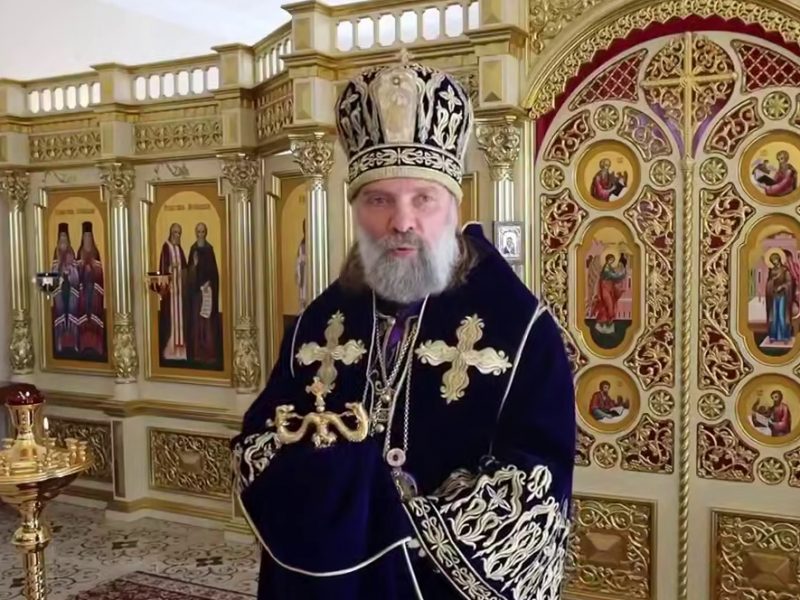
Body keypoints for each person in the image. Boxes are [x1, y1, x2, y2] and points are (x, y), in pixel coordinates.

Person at [232, 58, 575, 599]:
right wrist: (323, 481)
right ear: (356, 209)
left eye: (422, 198)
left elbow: (538, 483)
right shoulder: (320, 320)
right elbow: (256, 443)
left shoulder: (522, 328)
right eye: (379, 199)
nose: (402, 221)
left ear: (453, 205)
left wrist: (396, 523)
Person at [186, 222, 221, 367]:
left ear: (205, 233)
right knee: (197, 322)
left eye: (202, 231)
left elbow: (214, 273)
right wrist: (194, 265)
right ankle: (197, 353)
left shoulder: (209, 249)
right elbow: (189, 273)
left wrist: (209, 283)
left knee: (207, 323)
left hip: (207, 292)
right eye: (198, 231)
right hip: (196, 293)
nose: (200, 234)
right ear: (196, 233)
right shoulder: (193, 249)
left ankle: (208, 353)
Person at [76, 221, 106, 357]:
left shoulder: (96, 253)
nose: (87, 240)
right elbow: (75, 274)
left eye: (89, 237)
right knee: (83, 318)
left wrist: (92, 269)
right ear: (83, 239)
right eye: (85, 237)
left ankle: (96, 346)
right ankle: (83, 345)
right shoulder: (79, 253)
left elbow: (100, 273)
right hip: (83, 292)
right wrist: (84, 269)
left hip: (94, 292)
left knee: (94, 318)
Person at [158, 223, 187, 361]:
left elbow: (185, 267)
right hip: (170, 291)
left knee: (180, 320)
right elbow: (163, 269)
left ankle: (181, 350)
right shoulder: (166, 247)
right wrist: (171, 268)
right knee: (171, 320)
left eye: (179, 233)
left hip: (179, 291)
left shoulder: (179, 248)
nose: (177, 235)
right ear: (170, 232)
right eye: (175, 232)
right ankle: (170, 350)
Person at [52, 223, 80, 355]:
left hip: (71, 288)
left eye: (65, 238)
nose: (63, 241)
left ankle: (74, 343)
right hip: (60, 290)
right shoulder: (56, 253)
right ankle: (59, 342)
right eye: (61, 238)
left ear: (68, 240)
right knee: (60, 315)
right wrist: (60, 271)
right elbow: (53, 272)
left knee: (72, 315)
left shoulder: (71, 252)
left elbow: (76, 273)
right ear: (58, 240)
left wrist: (70, 271)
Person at [591, 253, 628, 335]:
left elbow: (615, 278)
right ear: (607, 260)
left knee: (608, 308)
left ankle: (607, 328)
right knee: (609, 307)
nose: (612, 261)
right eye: (611, 260)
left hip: (610, 290)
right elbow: (615, 277)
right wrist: (623, 272)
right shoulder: (606, 269)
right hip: (605, 291)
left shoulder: (610, 268)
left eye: (613, 260)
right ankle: (600, 327)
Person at [765, 250, 795, 343]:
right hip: (774, 295)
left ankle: (785, 336)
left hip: (783, 295)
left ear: (779, 259)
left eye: (776, 259)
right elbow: (768, 283)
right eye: (773, 260)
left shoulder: (785, 270)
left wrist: (782, 286)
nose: (775, 262)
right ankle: (773, 336)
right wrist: (771, 282)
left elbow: (789, 282)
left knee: (782, 315)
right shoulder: (771, 271)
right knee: (774, 316)